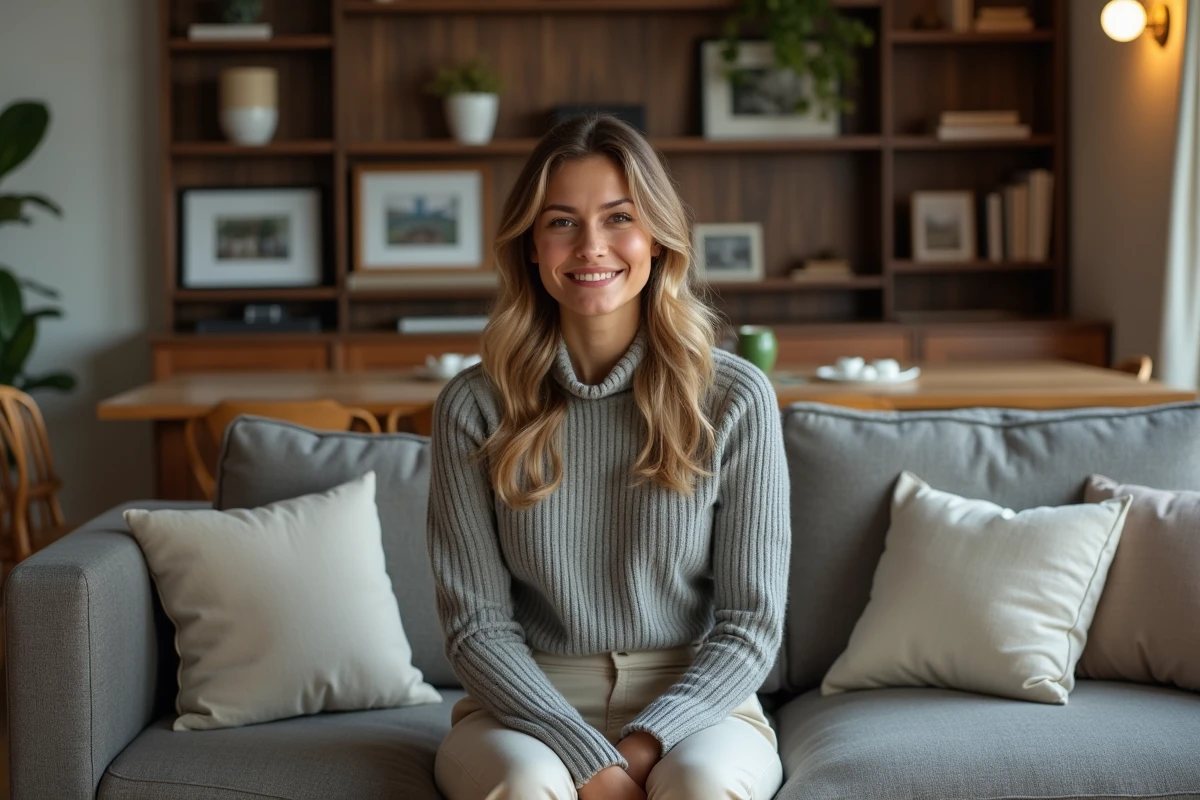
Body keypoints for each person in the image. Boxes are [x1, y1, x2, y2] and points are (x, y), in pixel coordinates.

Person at [426, 113, 791, 800]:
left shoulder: (734, 397)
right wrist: (587, 760)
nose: (590, 246)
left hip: (696, 703)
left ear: (657, 238)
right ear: (531, 246)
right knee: (527, 787)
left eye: (619, 217)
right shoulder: (473, 406)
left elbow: (751, 624)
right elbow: (476, 627)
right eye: (562, 222)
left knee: (702, 787)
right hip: (525, 704)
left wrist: (645, 746)